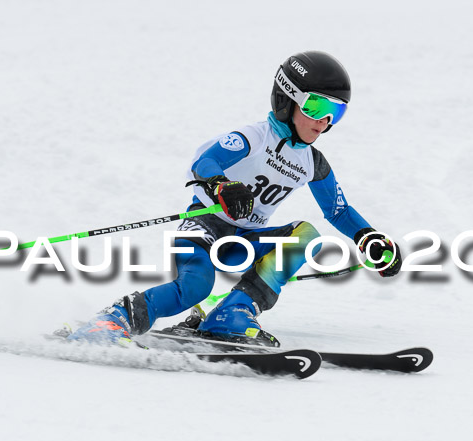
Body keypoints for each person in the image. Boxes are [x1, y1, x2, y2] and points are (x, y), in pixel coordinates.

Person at [66, 51, 402, 346]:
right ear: (287, 99)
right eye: (316, 106)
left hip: (242, 241)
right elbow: (204, 163)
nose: (324, 120)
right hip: (203, 227)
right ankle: (116, 319)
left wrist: (368, 237)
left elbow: (338, 209)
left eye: (336, 112)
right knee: (195, 286)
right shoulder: (254, 137)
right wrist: (221, 185)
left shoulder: (312, 162)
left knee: (306, 235)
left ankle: (233, 312)